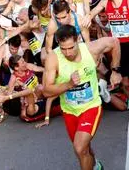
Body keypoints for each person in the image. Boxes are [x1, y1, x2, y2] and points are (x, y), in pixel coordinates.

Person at [43, 25, 122, 169]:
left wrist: (115, 70)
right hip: (69, 110)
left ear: (78, 39)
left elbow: (114, 42)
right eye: (63, 48)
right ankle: (96, 165)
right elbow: (46, 91)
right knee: (83, 150)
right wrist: (69, 84)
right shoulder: (53, 58)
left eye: (71, 47)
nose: (67, 53)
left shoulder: (91, 49)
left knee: (79, 147)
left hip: (91, 107)